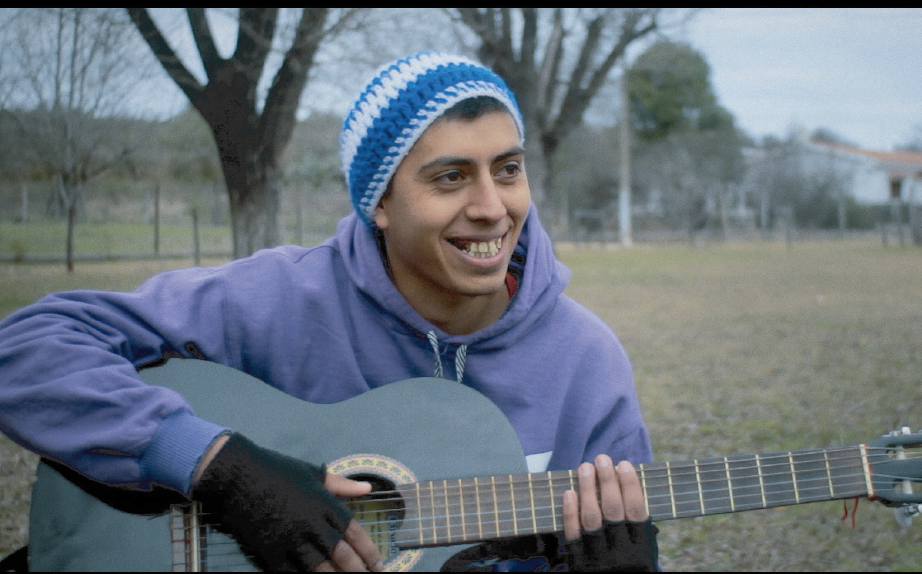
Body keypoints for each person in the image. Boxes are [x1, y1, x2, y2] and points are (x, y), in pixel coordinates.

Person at [0, 52, 656, 571]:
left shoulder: (586, 363)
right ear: (380, 203)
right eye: (450, 177)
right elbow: (27, 347)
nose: (492, 206)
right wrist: (222, 471)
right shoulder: (279, 298)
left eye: (507, 170)